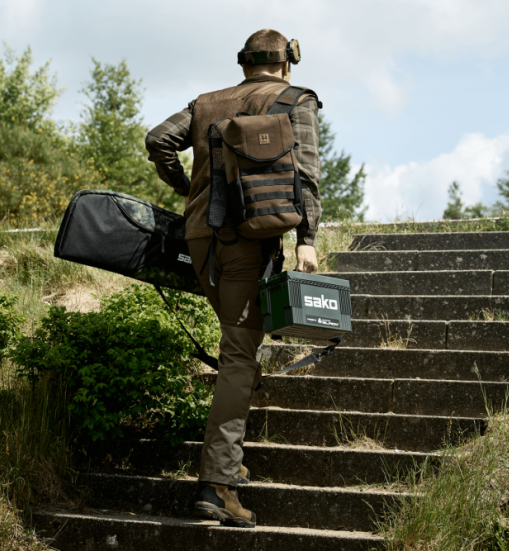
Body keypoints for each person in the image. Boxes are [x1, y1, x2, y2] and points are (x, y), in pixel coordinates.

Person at [145, 28, 322, 528]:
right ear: (287, 63)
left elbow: (159, 140)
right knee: (240, 356)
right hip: (249, 241)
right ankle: (217, 487)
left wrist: (185, 189)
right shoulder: (295, 99)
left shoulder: (207, 102)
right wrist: (306, 237)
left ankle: (229, 458)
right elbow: (305, 173)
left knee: (238, 345)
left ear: (244, 63)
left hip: (200, 240)